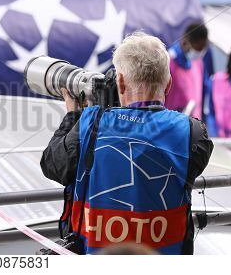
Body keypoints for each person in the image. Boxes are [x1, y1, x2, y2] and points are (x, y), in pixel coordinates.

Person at [40, 32, 213, 255]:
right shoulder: (193, 132)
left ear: (120, 82)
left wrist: (73, 116)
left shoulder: (92, 122)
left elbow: (53, 165)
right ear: (168, 84)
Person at [165, 23, 214, 119]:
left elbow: (204, 90)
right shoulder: (168, 62)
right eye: (197, 49)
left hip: (194, 123)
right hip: (171, 121)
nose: (200, 52)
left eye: (202, 49)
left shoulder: (198, 62)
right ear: (185, 42)